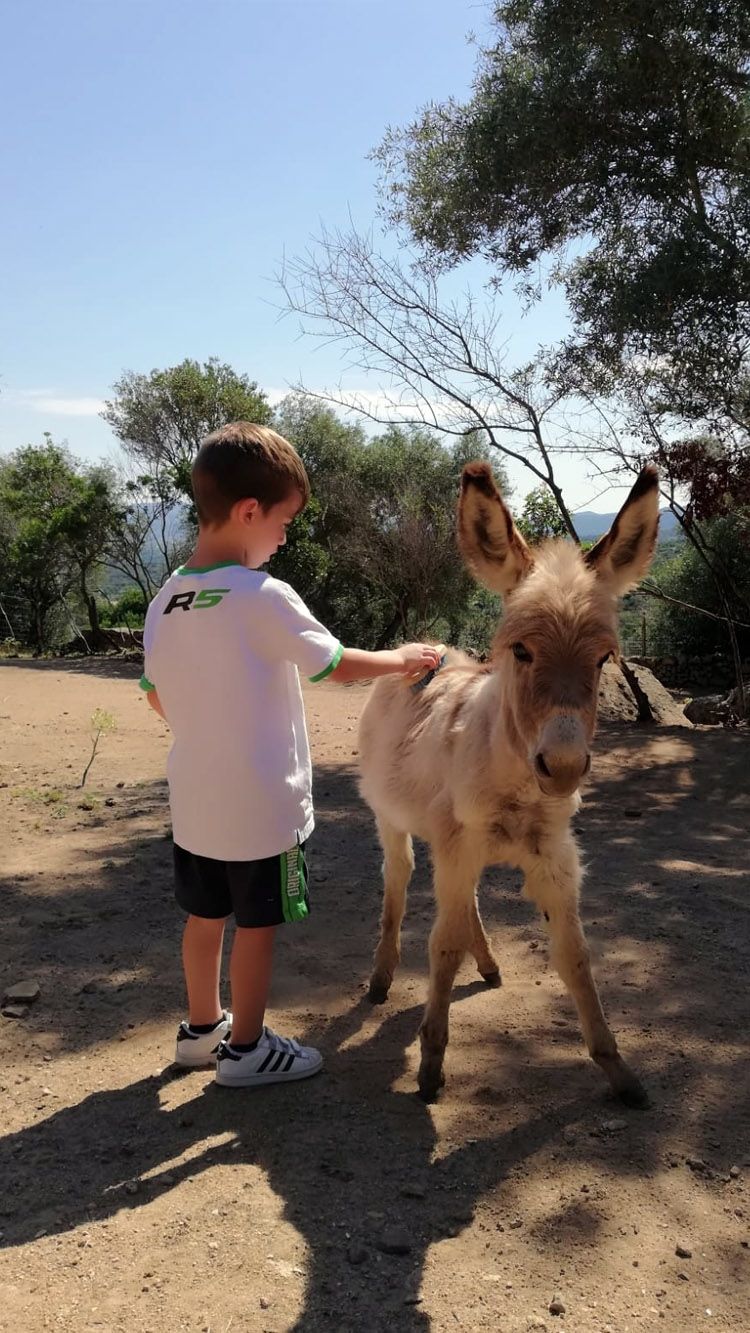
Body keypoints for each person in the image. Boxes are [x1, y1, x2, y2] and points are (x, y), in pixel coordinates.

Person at [140, 421, 441, 1089]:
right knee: (258, 925)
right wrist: (403, 660)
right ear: (249, 512)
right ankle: (246, 1049)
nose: (282, 538)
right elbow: (332, 664)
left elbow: (156, 696)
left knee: (204, 915)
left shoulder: (165, 601)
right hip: (262, 807)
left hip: (195, 800)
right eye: (283, 523)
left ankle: (200, 1030)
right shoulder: (262, 596)